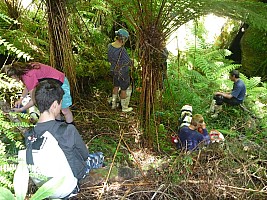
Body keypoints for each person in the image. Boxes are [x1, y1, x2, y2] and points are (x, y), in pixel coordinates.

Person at [22, 80, 103, 197]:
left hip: (47, 188)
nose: (61, 106)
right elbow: (85, 155)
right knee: (98, 156)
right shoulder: (67, 130)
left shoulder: (30, 135)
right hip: (72, 180)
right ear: (55, 104)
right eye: (60, 103)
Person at [4, 62, 74, 124]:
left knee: (65, 110)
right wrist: (21, 99)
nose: (14, 80)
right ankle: (59, 128)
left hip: (61, 82)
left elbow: (34, 100)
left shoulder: (28, 75)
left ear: (14, 75)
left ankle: (71, 129)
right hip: (52, 87)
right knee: (54, 110)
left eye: (12, 78)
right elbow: (28, 86)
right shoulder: (26, 69)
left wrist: (22, 109)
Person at [108, 28, 133, 112]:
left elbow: (109, 58)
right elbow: (128, 62)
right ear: (123, 39)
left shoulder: (110, 46)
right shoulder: (122, 50)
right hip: (123, 72)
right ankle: (124, 107)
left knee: (115, 86)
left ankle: (113, 104)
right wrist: (133, 63)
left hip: (114, 70)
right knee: (124, 88)